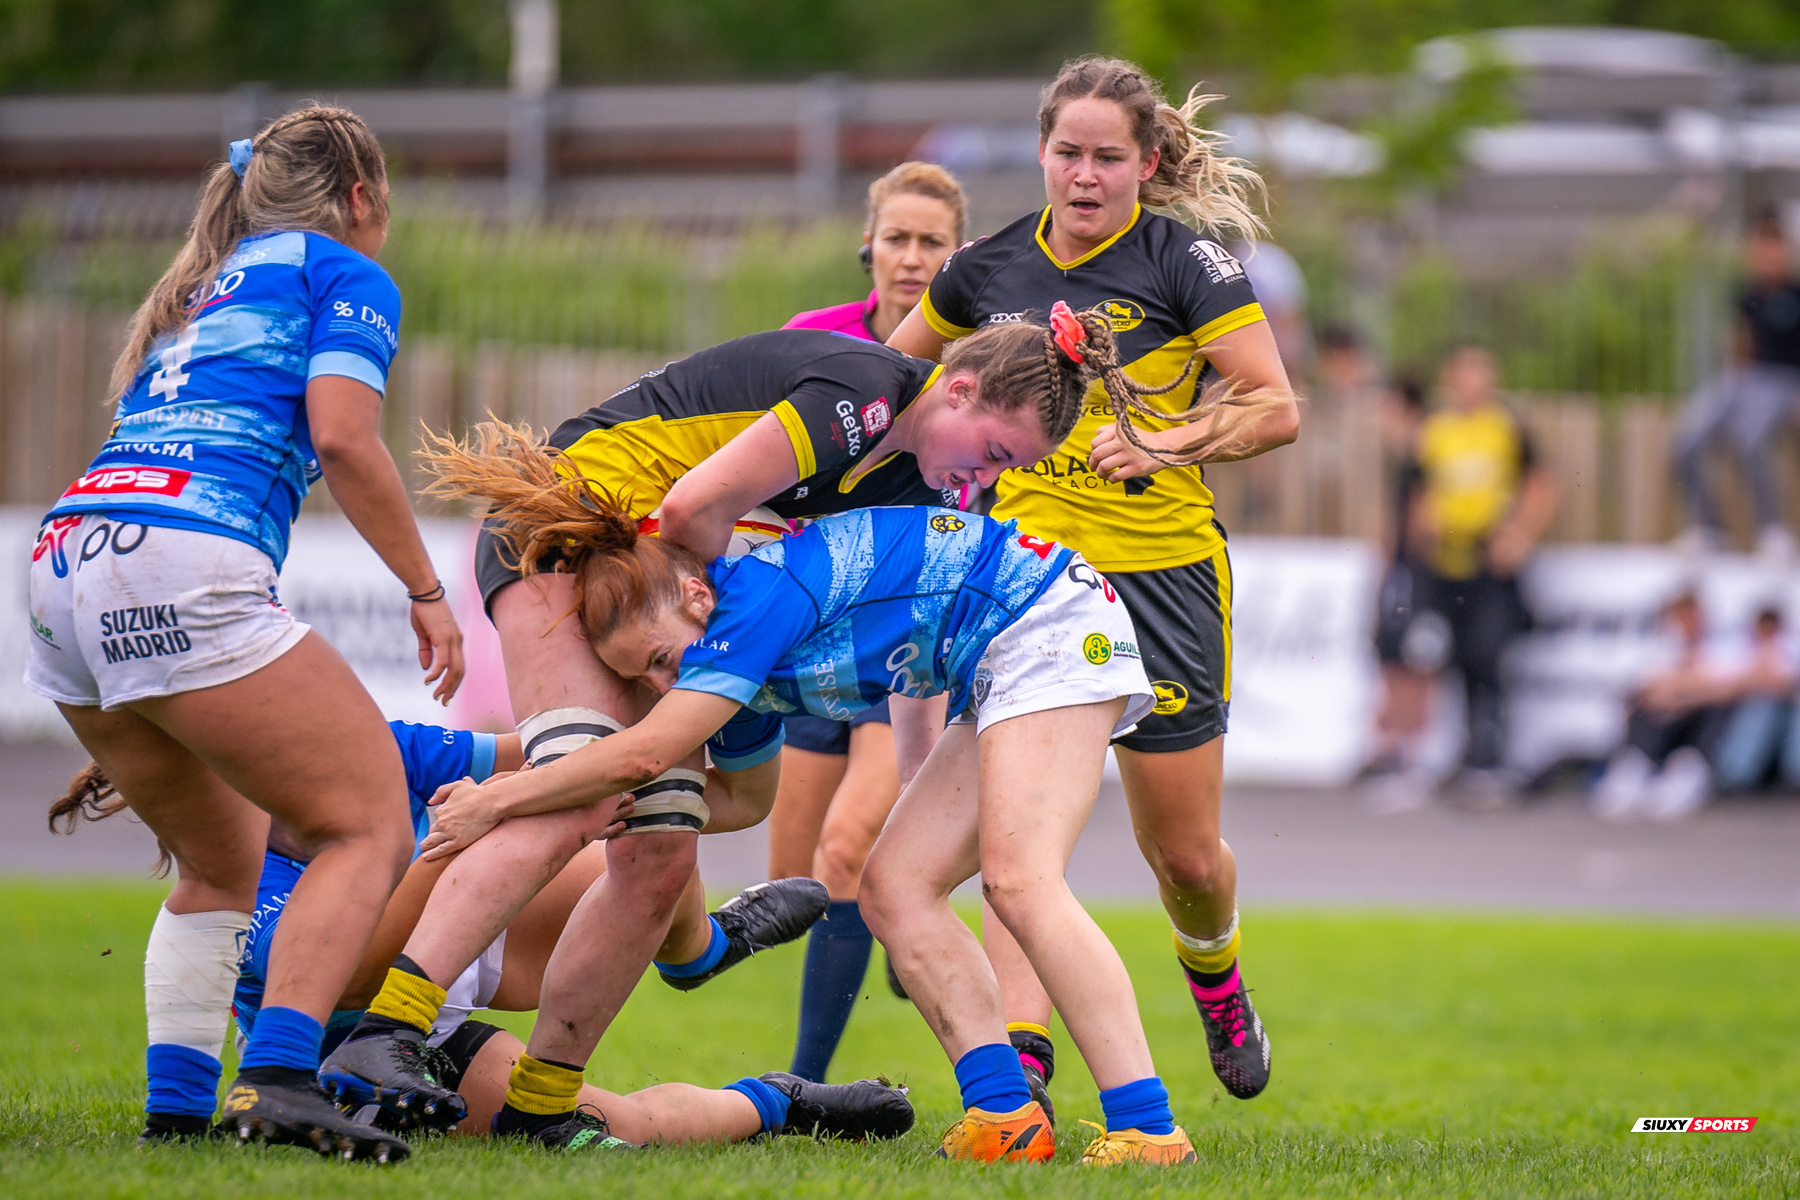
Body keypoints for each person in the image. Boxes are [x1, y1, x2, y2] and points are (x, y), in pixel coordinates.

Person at [320, 310, 1114, 1149]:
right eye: (992, 452)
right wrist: (722, 642)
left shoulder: (921, 479)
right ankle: (388, 1032)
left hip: (660, 580)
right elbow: (695, 508)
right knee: (582, 791)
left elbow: (910, 662)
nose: (979, 479)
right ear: (957, 388)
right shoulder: (867, 393)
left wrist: (916, 790)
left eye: (1007, 471)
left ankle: (545, 1105)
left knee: (663, 841)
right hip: (569, 536)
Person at [403, 441, 1190, 1165]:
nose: (660, 689)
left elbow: (643, 751)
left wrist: (502, 803)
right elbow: (742, 799)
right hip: (1002, 660)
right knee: (893, 891)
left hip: (1049, 624)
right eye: (642, 680)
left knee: (1019, 882)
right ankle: (1006, 1117)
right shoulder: (726, 674)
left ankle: (1148, 1127)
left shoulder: (753, 601)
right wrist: (610, 809)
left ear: (693, 595)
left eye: (659, 660)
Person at [23, 106, 462, 1162]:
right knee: (366, 829)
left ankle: (175, 1119)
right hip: (183, 554)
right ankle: (275, 1080)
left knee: (220, 866)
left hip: (58, 567)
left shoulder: (195, 287)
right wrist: (424, 588)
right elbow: (345, 442)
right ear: (362, 197)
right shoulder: (344, 273)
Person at [886, 55, 1300, 1108]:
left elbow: (1273, 407)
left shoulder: (1186, 263)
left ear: (1145, 161)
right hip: (1028, 588)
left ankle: (1216, 978)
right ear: (1040, 153)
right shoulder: (981, 271)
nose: (1083, 174)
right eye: (1066, 152)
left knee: (1189, 857)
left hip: (1162, 580)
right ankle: (1021, 1058)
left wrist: (1166, 441)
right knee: (1020, 851)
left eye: (1107, 157)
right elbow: (894, 390)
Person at [49, 723, 910, 1148]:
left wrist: (651, 730)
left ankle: (698, 949)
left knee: (643, 839)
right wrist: (469, 825)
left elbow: (538, 747)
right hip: (363, 1031)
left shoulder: (357, 743)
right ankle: (786, 1101)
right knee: (605, 1124)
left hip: (462, 927)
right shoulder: (233, 879)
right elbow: (347, 980)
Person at [774, 161, 969, 1082]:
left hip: (904, 637)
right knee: (796, 878)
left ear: (958, 253)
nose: (913, 257)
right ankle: (899, 921)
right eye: (898, 238)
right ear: (869, 245)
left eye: (933, 242)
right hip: (808, 619)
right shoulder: (811, 341)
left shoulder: (973, 362)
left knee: (850, 848)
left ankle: (807, 1088)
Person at [1389, 346, 1558, 806]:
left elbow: (1541, 483)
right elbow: (1417, 491)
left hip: (1489, 560)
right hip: (1446, 562)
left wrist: (1519, 534)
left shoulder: (1506, 425)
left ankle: (1490, 757)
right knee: (1453, 658)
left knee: (1489, 655)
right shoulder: (1435, 430)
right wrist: (1416, 552)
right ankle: (1460, 756)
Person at [1675, 213, 1800, 559]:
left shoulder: (1796, 294)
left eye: (1773, 249)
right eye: (1760, 249)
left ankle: (1772, 531)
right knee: (1688, 436)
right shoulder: (1746, 294)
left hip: (1785, 383)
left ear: (1784, 251)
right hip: (1745, 381)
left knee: (1750, 436)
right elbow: (1740, 346)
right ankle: (1709, 528)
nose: (1767, 257)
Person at [1591, 590, 1734, 820]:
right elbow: (1649, 686)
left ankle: (1689, 772)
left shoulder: (1720, 646)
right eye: (1679, 618)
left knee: (1712, 709)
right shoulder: (1663, 647)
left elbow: (1727, 687)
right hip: (1668, 719)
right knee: (1645, 708)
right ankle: (1635, 766)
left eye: (1690, 618)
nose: (1685, 624)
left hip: (1700, 719)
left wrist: (1684, 694)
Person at [1709, 605, 1799, 795]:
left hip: (1782, 709)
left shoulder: (1788, 648)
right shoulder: (1743, 649)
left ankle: (1739, 774)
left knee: (1763, 709)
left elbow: (1784, 685)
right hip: (1748, 705)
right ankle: (1735, 773)